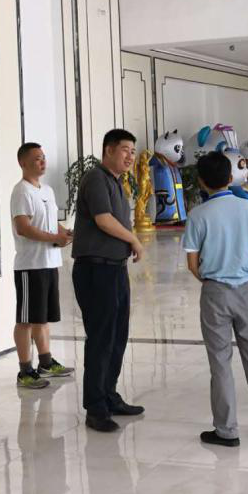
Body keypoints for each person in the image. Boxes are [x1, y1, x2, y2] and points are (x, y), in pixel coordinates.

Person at [183, 152, 248, 447]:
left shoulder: (197, 215)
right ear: (230, 178)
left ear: (201, 181)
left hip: (216, 292)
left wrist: (213, 279)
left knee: (220, 361)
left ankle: (226, 430)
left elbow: (192, 264)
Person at [72, 129, 145, 433]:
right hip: (95, 270)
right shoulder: (95, 178)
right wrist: (134, 240)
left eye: (133, 151)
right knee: (101, 338)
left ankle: (109, 395)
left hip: (115, 269)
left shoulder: (116, 182)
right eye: (125, 150)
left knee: (117, 336)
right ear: (109, 150)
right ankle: (96, 407)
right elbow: (103, 220)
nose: (130, 156)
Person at [10, 143, 75, 389]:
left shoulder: (47, 190)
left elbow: (50, 222)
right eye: (37, 158)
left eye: (44, 157)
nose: (43, 162)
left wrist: (64, 233)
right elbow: (23, 228)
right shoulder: (21, 191)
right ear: (23, 163)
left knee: (42, 318)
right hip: (30, 266)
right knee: (26, 320)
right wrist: (54, 238)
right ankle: (25, 371)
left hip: (49, 263)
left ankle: (45, 362)